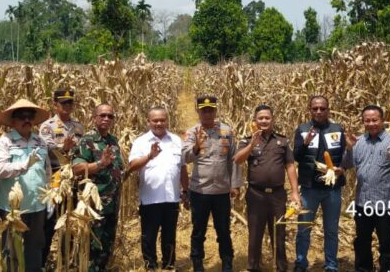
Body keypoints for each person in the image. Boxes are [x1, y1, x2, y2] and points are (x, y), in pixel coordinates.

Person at [234, 104, 301, 272]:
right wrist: (252, 145)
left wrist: (295, 192)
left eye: (267, 118)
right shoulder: (247, 140)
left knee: (279, 233)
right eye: (260, 118)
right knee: (255, 234)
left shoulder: (282, 141)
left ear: (272, 119)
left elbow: (290, 166)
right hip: (256, 195)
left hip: (278, 195)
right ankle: (254, 267)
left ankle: (281, 267)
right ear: (255, 120)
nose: (264, 121)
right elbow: (238, 160)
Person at [182, 96, 242, 272]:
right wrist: (196, 147)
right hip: (199, 190)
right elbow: (185, 157)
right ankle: (197, 263)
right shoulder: (192, 132)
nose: (207, 114)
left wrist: (235, 184)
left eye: (211, 110)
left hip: (221, 191)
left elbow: (234, 159)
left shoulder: (226, 131)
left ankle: (227, 263)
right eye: (204, 110)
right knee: (198, 230)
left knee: (223, 230)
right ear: (198, 111)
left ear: (215, 111)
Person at [0, 99, 52, 272]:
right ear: (13, 121)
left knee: (35, 248)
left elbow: (46, 170)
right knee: (11, 250)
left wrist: (48, 194)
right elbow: (0, 170)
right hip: (13, 209)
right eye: (21, 117)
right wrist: (24, 165)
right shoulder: (5, 141)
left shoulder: (40, 141)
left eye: (30, 117)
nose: (27, 120)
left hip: (37, 206)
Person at [128, 107, 189, 270]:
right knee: (149, 236)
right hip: (150, 198)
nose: (159, 123)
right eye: (155, 120)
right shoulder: (140, 142)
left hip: (172, 197)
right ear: (148, 122)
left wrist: (186, 191)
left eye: (162, 120)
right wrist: (149, 156)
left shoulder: (176, 140)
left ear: (167, 121)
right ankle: (150, 265)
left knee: (170, 235)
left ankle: (169, 265)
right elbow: (132, 167)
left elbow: (182, 168)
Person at [292, 96, 348, 272]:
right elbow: (295, 157)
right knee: (303, 228)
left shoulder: (337, 129)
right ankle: (301, 263)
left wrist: (342, 168)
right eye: (315, 108)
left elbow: (345, 155)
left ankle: (331, 265)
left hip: (332, 189)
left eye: (322, 108)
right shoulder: (303, 130)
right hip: (310, 188)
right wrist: (305, 143)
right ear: (310, 110)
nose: (318, 111)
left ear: (328, 110)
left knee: (331, 230)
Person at [345, 105, 390, 272]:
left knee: (385, 240)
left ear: (382, 120)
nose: (371, 124)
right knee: (362, 240)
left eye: (374, 120)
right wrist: (349, 148)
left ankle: (385, 268)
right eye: (367, 121)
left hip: (385, 201)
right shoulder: (358, 142)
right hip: (362, 201)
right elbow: (347, 164)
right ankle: (364, 269)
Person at [71, 104, 125, 272]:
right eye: (102, 115)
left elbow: (118, 168)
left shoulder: (113, 141)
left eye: (110, 116)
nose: (106, 119)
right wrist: (100, 163)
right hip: (95, 205)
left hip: (112, 203)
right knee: (93, 246)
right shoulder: (87, 140)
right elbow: (77, 169)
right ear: (94, 118)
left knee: (106, 245)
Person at [37, 88, 84, 269]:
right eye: (63, 102)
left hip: (73, 180)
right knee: (49, 223)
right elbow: (46, 150)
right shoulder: (47, 126)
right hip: (54, 180)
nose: (67, 105)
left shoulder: (78, 126)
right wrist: (63, 148)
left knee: (69, 221)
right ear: (55, 105)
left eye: (70, 102)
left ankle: (66, 262)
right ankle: (43, 263)